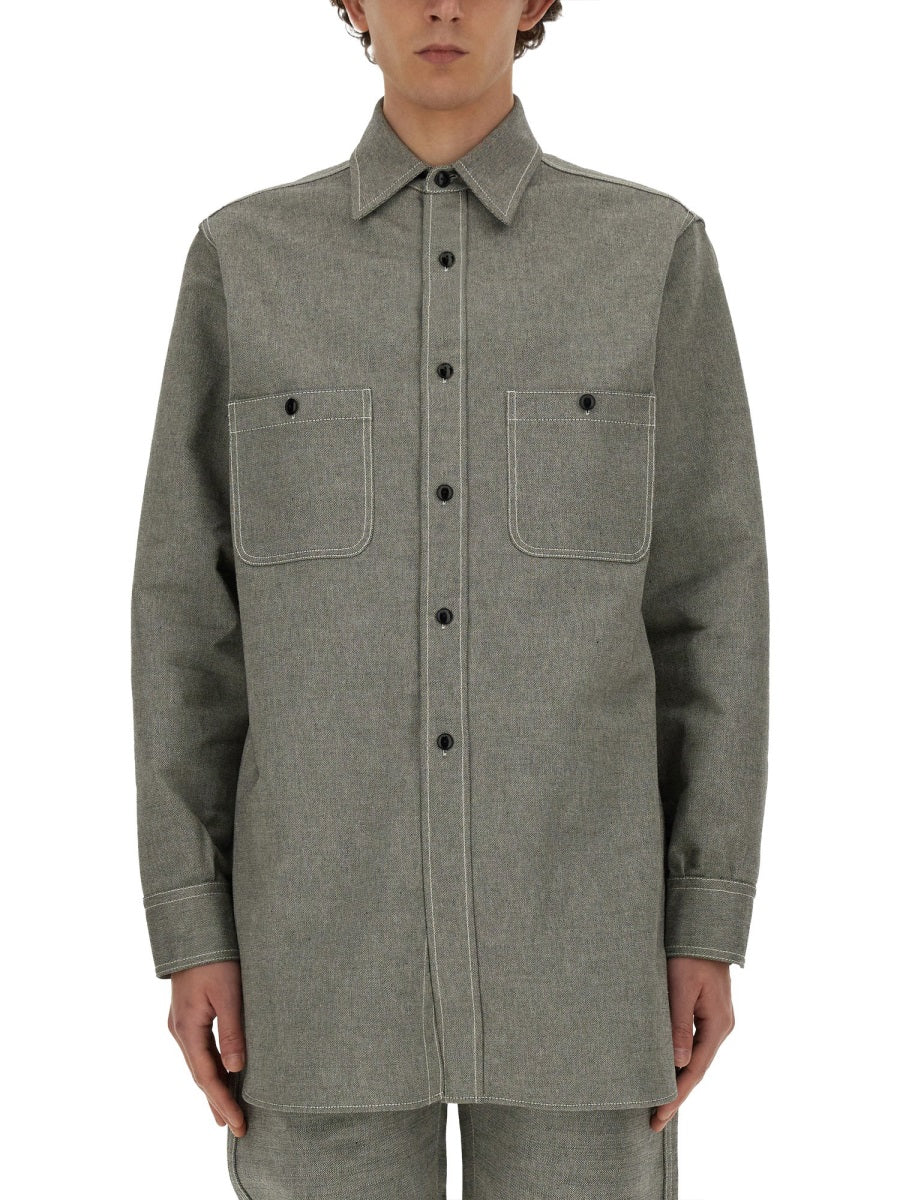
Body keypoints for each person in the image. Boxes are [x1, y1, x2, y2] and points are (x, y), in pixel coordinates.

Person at [130, 2, 769, 1196]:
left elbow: (711, 608)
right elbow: (184, 622)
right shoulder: (245, 263)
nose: (441, 5)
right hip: (313, 965)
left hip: (586, 960)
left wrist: (705, 913)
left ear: (535, 3)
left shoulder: (650, 256)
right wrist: (191, 922)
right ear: (351, 3)